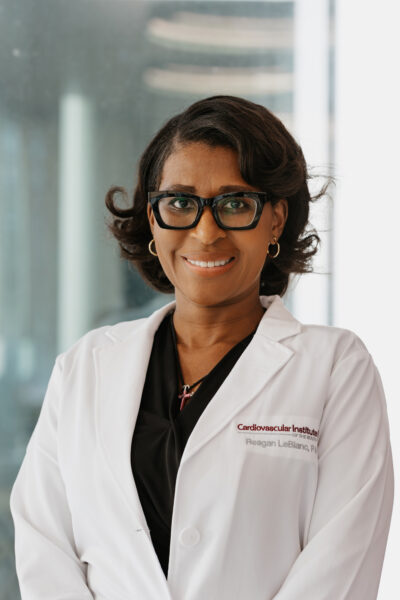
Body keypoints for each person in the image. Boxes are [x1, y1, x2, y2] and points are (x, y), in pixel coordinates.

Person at [10, 95, 394, 600]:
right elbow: (44, 545)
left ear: (275, 219)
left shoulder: (335, 368)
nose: (206, 231)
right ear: (152, 218)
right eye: (180, 202)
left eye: (236, 203)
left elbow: (342, 562)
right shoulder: (86, 366)